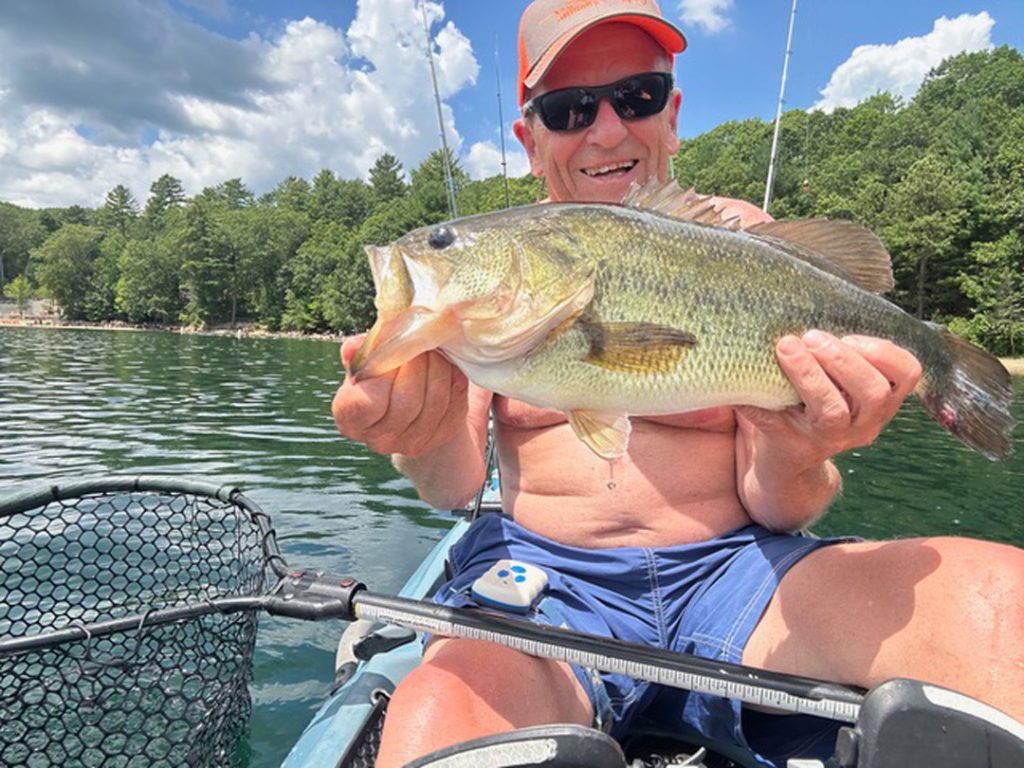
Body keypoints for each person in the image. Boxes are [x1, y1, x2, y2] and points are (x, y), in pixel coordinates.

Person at [332, 1, 1024, 765]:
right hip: (544, 588)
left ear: (673, 113)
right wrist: (420, 439)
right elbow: (454, 487)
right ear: (530, 141)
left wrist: (802, 449)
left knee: (1001, 605)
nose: (606, 130)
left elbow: (778, 506)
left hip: (742, 577)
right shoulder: (491, 284)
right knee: (442, 709)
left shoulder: (749, 244)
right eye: (567, 109)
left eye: (637, 97)